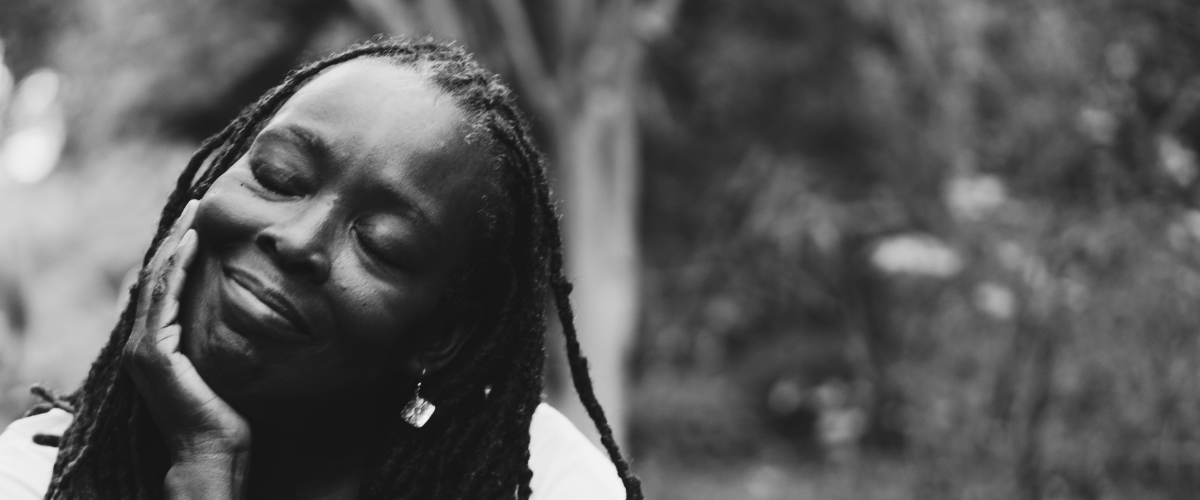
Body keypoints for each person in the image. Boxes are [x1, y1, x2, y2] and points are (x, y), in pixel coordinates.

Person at [0, 38, 643, 500]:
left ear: (439, 337)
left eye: (382, 246)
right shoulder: (38, 477)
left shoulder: (546, 484)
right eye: (279, 177)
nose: (298, 241)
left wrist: (205, 475)